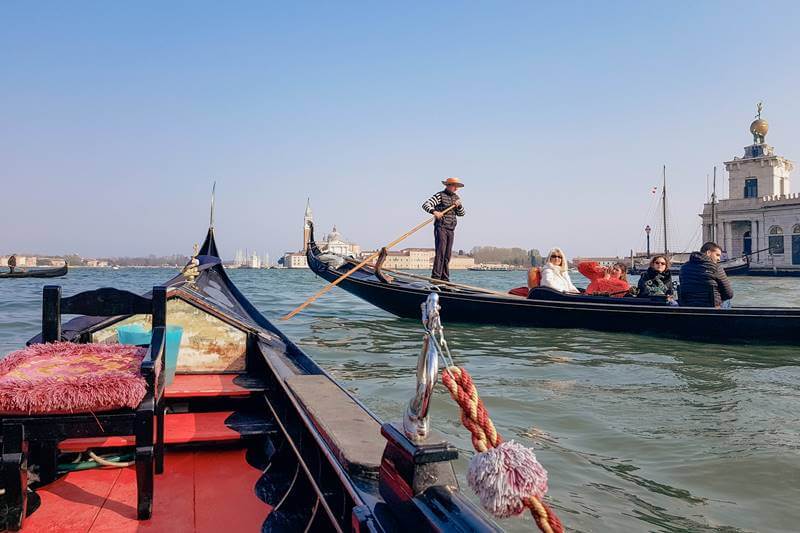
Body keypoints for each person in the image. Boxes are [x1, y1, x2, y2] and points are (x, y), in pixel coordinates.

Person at [422, 177, 466, 281]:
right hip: (441, 227)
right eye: (455, 186)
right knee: (440, 252)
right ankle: (436, 277)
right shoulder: (439, 195)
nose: (456, 189)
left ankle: (445, 278)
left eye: (457, 187)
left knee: (447, 254)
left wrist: (459, 207)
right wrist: (434, 212)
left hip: (451, 228)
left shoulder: (456, 198)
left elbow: (462, 214)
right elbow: (425, 205)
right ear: (448, 185)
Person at [678, 241, 733, 307]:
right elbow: (729, 294)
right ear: (708, 253)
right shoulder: (716, 268)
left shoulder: (683, 268)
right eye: (717, 255)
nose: (719, 259)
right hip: (711, 308)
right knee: (727, 300)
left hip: (688, 306)